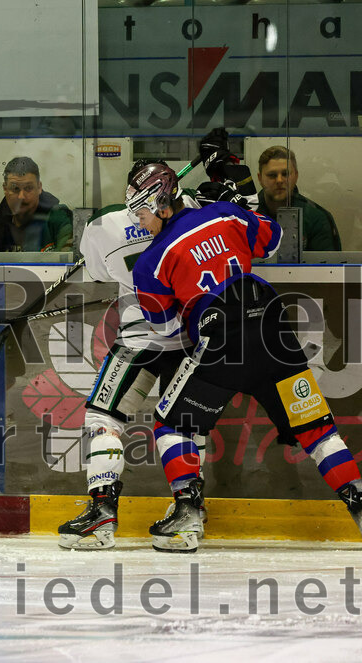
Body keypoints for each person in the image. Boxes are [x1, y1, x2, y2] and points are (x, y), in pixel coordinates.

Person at [127, 161, 362, 553]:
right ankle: (358, 502)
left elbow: (166, 330)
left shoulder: (151, 261)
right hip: (273, 329)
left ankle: (186, 518)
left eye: (142, 211)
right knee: (316, 428)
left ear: (161, 203)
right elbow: (273, 239)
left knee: (174, 426)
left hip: (221, 342)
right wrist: (243, 205)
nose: (140, 222)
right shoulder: (225, 213)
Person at [57, 160, 206, 550]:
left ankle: (102, 517)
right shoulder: (191, 210)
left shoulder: (102, 227)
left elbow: (99, 273)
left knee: (102, 416)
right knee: (179, 426)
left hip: (139, 337)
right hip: (189, 338)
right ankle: (188, 521)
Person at [0, 156, 73, 252]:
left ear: (39, 188)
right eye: (15, 188)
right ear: (5, 189)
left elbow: (70, 264)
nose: (21, 196)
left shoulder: (59, 218)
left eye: (28, 188)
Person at [251, 145, 342, 251]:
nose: (279, 180)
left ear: (296, 176)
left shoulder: (316, 218)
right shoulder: (242, 215)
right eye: (272, 175)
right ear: (260, 178)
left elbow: (329, 266)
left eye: (286, 174)